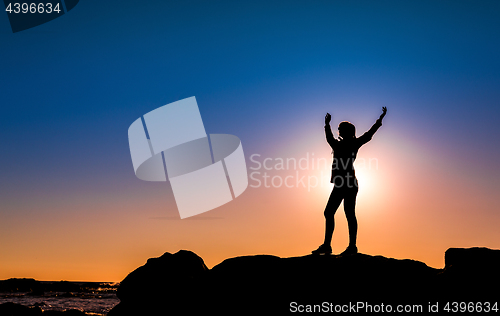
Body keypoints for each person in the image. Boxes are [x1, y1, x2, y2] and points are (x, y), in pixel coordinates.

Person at [312, 107, 387, 255]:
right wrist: (327, 125)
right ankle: (333, 246)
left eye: (340, 129)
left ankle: (348, 246)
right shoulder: (341, 144)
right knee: (333, 213)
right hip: (344, 183)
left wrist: (380, 119)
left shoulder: (351, 144)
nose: (338, 131)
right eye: (338, 128)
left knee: (343, 213)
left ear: (346, 131)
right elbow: (330, 138)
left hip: (347, 183)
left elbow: (369, 134)